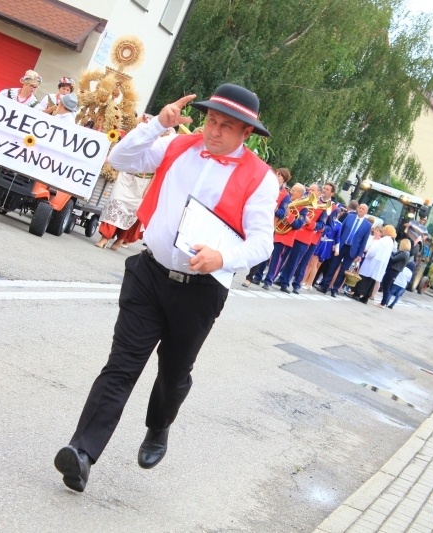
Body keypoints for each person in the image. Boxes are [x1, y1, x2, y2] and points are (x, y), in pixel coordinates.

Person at [53, 84, 277, 493]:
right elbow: (119, 158)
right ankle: (82, 453)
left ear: (247, 133)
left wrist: (222, 257)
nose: (214, 131)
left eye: (227, 126)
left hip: (201, 290)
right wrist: (157, 124)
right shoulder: (178, 145)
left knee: (174, 373)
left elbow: (263, 242)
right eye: (211, 120)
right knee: (121, 365)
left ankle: (158, 427)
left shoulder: (260, 179)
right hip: (150, 274)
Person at [316, 203, 372, 296]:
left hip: (352, 249)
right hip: (341, 245)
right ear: (357, 208)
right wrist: (335, 243)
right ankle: (324, 286)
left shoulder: (367, 225)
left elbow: (364, 241)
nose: (361, 210)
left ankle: (335, 289)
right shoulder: (349, 217)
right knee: (332, 266)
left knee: (343, 270)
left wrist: (359, 254)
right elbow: (340, 231)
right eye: (360, 208)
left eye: (363, 209)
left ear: (366, 212)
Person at [95, 169, 151, 250]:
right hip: (125, 174)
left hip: (145, 181)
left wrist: (150, 187)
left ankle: (121, 238)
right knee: (115, 203)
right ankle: (105, 237)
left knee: (133, 211)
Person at [352, 224, 395, 304]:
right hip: (381, 263)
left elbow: (374, 250)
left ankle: (357, 294)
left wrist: (368, 254)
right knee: (372, 280)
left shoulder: (383, 240)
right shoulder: (390, 242)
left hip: (373, 260)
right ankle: (366, 297)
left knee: (365, 277)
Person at [378, 239, 411, 308]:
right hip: (393, 270)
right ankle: (384, 302)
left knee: (386, 286)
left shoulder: (405, 253)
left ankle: (383, 303)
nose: (400, 245)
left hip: (393, 270)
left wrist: (389, 252)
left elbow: (393, 259)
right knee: (386, 286)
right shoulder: (404, 253)